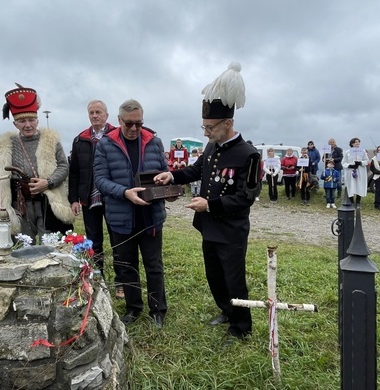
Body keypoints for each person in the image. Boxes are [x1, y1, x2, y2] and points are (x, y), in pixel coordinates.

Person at [154, 62, 261, 341]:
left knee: (234, 280)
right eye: (203, 127)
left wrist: (210, 205)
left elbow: (245, 198)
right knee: (215, 276)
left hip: (231, 230)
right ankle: (226, 310)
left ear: (228, 123)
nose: (206, 133)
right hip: (208, 226)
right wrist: (172, 175)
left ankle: (241, 327)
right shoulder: (212, 146)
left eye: (210, 127)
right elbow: (196, 170)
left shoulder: (249, 155)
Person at [94, 99, 168, 329]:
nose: (134, 129)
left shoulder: (154, 142)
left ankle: (158, 309)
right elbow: (100, 180)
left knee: (153, 264)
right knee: (126, 265)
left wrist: (165, 182)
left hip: (150, 215)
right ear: (119, 121)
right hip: (121, 216)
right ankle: (133, 308)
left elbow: (164, 170)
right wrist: (125, 192)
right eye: (129, 124)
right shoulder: (106, 145)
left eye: (139, 123)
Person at [0, 85, 74, 242]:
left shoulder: (51, 140)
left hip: (48, 203)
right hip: (21, 204)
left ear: (37, 120)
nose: (28, 125)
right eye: (22, 121)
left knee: (51, 247)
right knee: (23, 248)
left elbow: (64, 167)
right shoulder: (6, 145)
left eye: (31, 120)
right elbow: (3, 177)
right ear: (15, 124)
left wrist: (48, 182)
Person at [68, 100, 123, 297]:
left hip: (113, 197)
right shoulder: (80, 140)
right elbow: (74, 172)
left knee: (118, 240)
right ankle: (98, 279)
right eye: (91, 112)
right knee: (94, 242)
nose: (94, 116)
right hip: (89, 199)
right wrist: (73, 198)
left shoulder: (117, 135)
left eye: (98, 112)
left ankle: (121, 283)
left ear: (107, 115)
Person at [342, 137, 369, 208]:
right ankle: (351, 201)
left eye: (358, 142)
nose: (357, 143)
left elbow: (367, 161)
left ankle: (358, 202)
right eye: (356, 142)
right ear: (352, 143)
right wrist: (349, 165)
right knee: (351, 185)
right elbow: (343, 162)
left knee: (359, 185)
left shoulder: (362, 151)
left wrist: (360, 163)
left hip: (360, 171)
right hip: (350, 171)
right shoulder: (348, 152)